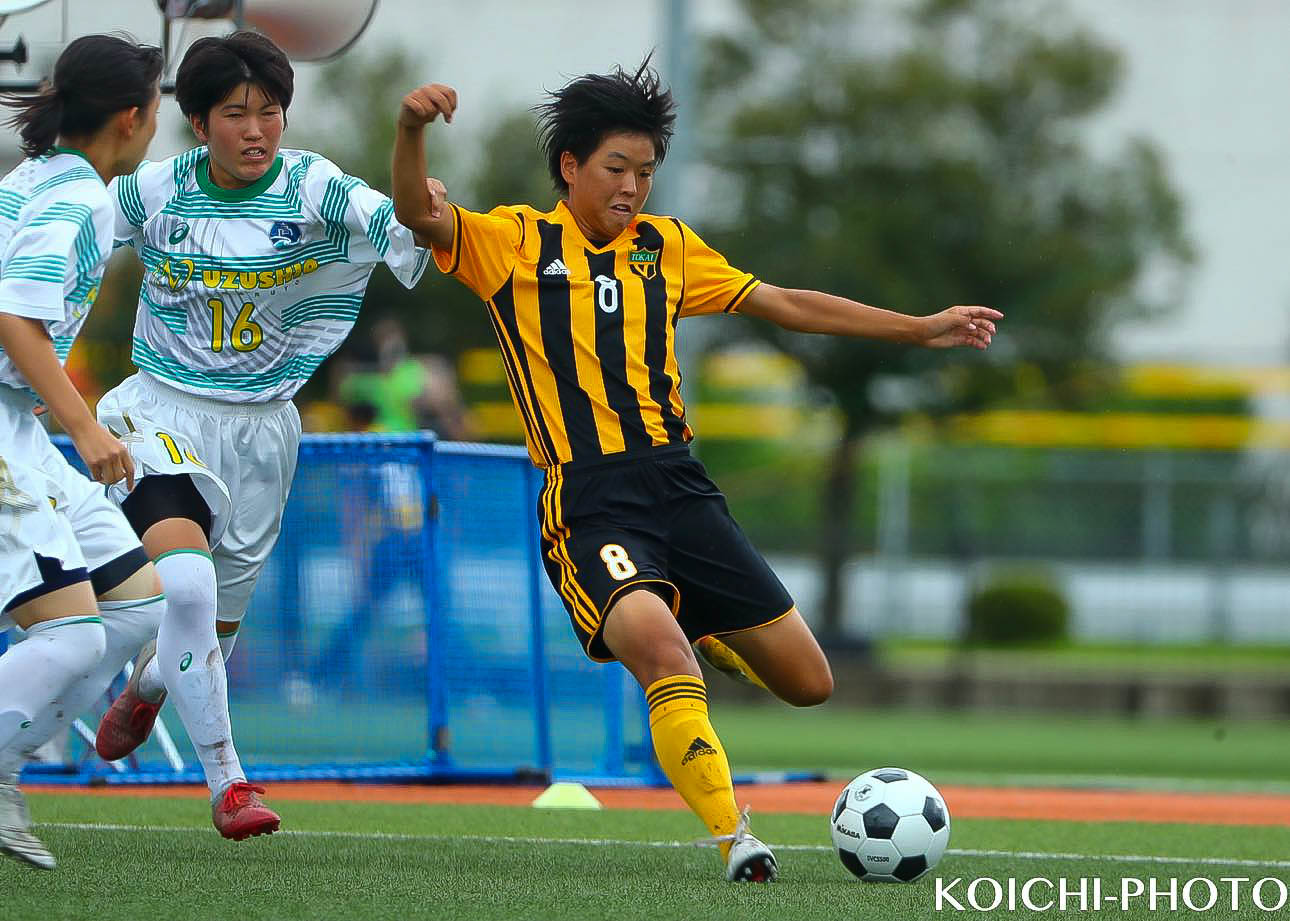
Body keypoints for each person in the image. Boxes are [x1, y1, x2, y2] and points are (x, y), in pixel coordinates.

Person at [391, 63, 1002, 882]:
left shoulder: (667, 247)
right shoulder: (513, 241)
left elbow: (784, 302)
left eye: (645, 172)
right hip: (591, 501)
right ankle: (734, 837)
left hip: (680, 488)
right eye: (617, 168)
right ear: (570, 165)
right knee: (663, 656)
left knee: (809, 682)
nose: (632, 187)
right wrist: (411, 129)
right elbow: (418, 212)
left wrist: (918, 329)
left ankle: (698, 622)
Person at [90, 31, 431, 839]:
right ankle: (229, 783)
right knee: (188, 588)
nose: (256, 130)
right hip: (158, 412)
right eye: (236, 114)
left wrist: (426, 205)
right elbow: (66, 245)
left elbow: (405, 228)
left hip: (265, 433)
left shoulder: (316, 187)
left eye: (270, 112)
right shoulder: (157, 190)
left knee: (210, 625)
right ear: (198, 122)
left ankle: (147, 685)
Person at [0, 33, 167, 869]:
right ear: (131, 118)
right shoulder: (80, 198)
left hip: (19, 426)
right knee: (70, 637)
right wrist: (87, 427)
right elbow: (14, 317)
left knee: (139, 604)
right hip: (8, 430)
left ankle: (5, 764)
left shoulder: (32, 178)